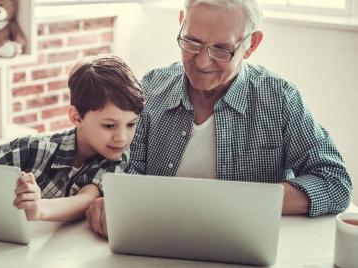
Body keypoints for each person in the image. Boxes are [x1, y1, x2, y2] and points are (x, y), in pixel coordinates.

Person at [86, 0, 353, 237]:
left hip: (242, 245)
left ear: (251, 44)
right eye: (192, 42)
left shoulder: (280, 99)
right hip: (156, 239)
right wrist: (110, 198)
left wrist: (245, 202)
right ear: (181, 24)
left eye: (222, 49)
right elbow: (124, 168)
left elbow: (334, 181)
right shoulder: (151, 88)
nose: (202, 62)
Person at [0, 55, 145, 222]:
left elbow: (86, 199)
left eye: (131, 124)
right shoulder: (25, 151)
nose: (122, 137)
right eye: (109, 125)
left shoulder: (117, 158)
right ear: (76, 117)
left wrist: (39, 209)